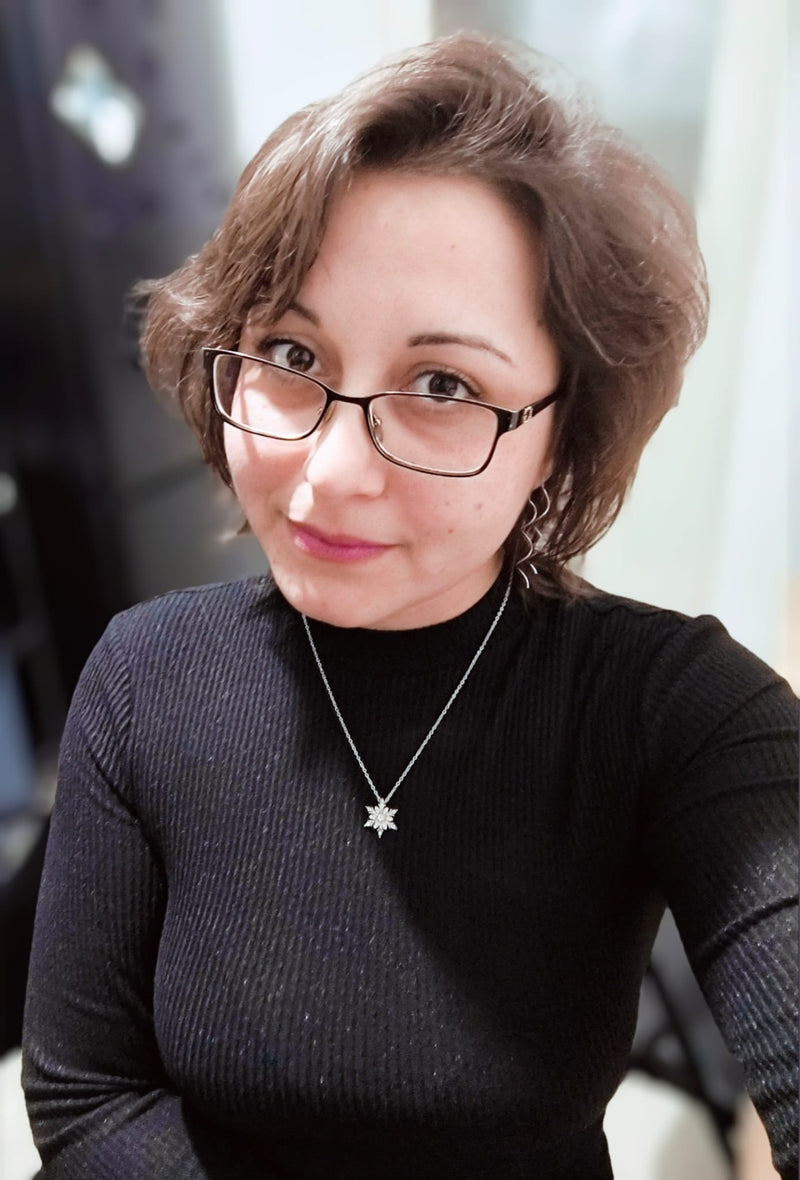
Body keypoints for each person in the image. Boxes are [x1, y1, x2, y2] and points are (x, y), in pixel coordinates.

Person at [22, 33, 797, 1180]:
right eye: (289, 352)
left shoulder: (674, 708)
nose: (330, 472)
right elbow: (85, 1094)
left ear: (559, 436)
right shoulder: (144, 678)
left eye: (443, 385)